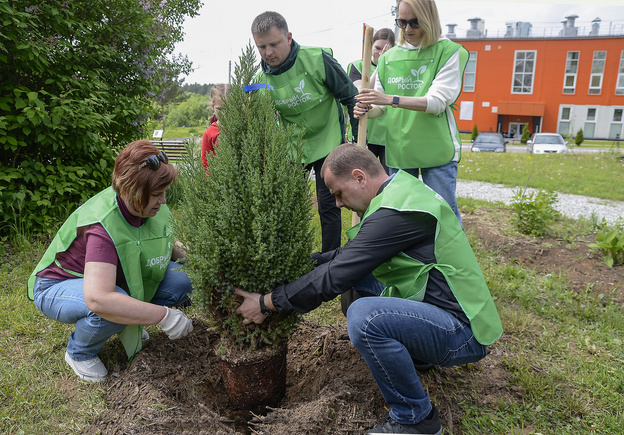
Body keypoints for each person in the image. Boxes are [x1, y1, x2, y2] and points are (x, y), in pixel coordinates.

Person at [235, 144, 503, 434]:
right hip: (439, 313)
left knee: (366, 316)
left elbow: (338, 274)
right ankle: (416, 357)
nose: (337, 204)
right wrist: (297, 266)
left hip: (462, 332)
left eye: (338, 193)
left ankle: (416, 418)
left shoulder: (396, 213)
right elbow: (344, 258)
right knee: (358, 279)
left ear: (359, 177)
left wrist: (267, 303)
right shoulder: (398, 191)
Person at [27, 140, 194, 382]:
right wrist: (163, 316)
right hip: (58, 285)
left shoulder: (147, 207)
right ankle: (80, 352)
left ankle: (129, 315)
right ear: (131, 192)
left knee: (181, 280)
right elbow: (99, 298)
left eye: (164, 192)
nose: (164, 201)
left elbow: (165, 240)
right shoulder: (102, 225)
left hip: (110, 276)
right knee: (109, 307)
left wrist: (198, 259)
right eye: (157, 195)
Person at [251, 11, 360, 252]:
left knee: (328, 205)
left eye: (274, 44)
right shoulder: (259, 80)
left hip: (328, 141)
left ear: (288, 37)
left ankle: (330, 261)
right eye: (261, 47)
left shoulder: (318, 59)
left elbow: (351, 98)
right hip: (293, 148)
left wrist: (355, 141)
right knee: (286, 206)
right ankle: (292, 258)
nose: (268, 52)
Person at [353, 0, 468, 224]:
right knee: (402, 217)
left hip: (437, 152)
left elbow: (436, 102)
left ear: (429, 19)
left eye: (414, 23)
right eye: (402, 22)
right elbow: (381, 108)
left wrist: (388, 99)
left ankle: (454, 260)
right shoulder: (389, 57)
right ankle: (413, 259)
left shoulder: (450, 52)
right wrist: (368, 108)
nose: (407, 30)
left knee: (442, 216)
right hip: (400, 149)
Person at [347, 27, 395, 174]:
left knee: (388, 182)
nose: (380, 53)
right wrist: (381, 65)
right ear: (370, 46)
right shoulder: (356, 66)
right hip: (364, 133)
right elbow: (363, 92)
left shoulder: (397, 68)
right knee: (363, 179)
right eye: (377, 48)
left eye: (386, 50)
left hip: (388, 136)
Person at [201, 83, 230, 170]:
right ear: (213, 106)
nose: (225, 114)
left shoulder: (242, 128)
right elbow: (205, 165)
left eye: (229, 108)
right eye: (220, 109)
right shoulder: (209, 133)